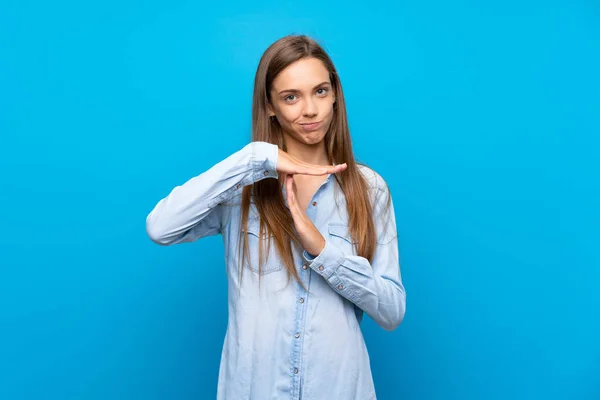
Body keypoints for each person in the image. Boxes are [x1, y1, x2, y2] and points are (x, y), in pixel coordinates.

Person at [146, 34, 406, 400]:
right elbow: (161, 227)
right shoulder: (242, 189)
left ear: (335, 95)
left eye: (320, 91)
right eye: (290, 97)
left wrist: (323, 251)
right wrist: (256, 159)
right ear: (270, 106)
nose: (310, 110)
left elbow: (392, 310)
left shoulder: (369, 189)